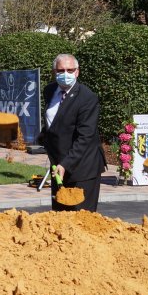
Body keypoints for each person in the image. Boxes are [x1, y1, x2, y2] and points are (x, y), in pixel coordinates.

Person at [39, 54, 105, 212]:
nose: (65, 74)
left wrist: (66, 164)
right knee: (59, 215)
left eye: (70, 70)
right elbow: (53, 124)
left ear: (77, 72)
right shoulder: (49, 91)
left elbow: (85, 137)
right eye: (61, 70)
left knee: (80, 218)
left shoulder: (87, 98)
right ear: (54, 72)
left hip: (83, 167)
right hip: (58, 165)